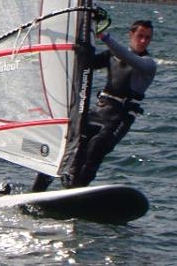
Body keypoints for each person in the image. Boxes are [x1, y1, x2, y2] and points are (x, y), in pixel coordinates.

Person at [32, 19, 157, 192]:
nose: (143, 41)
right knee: (68, 146)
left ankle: (74, 192)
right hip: (98, 112)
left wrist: (104, 36)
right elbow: (85, 64)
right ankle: (37, 191)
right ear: (131, 35)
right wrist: (76, 46)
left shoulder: (148, 64)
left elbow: (128, 57)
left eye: (147, 38)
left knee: (93, 152)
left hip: (119, 119)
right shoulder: (110, 55)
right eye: (140, 36)